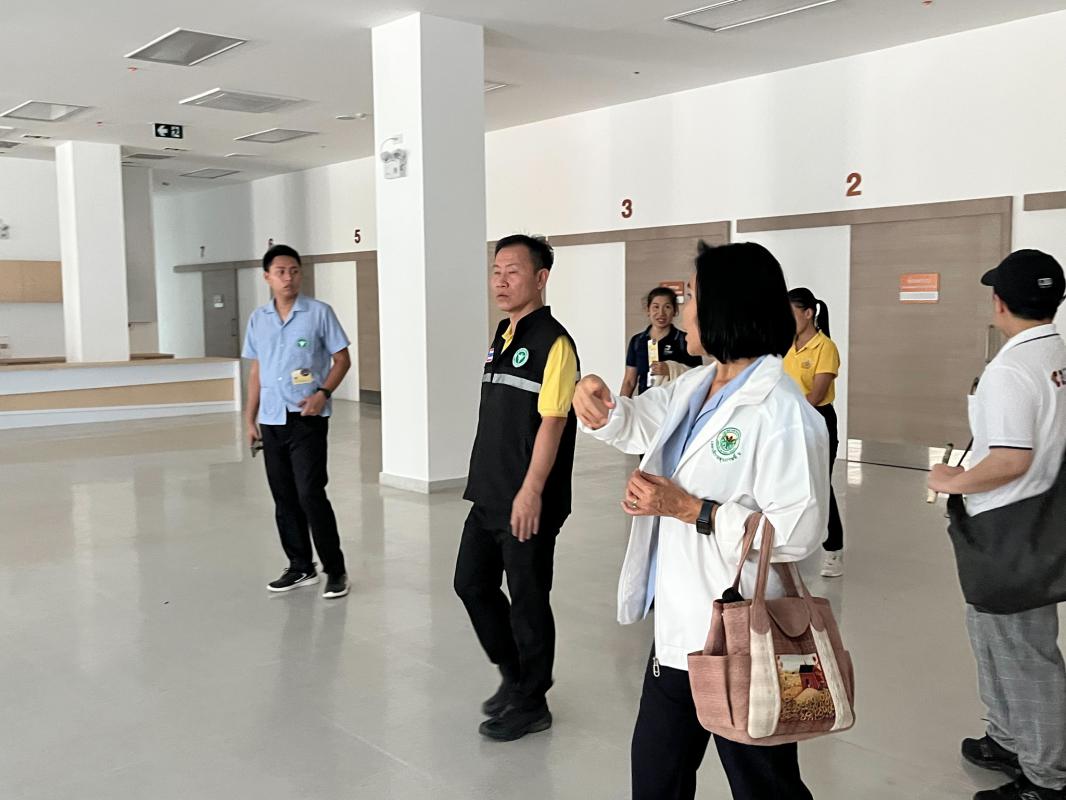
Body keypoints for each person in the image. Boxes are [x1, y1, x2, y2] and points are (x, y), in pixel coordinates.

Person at [574, 241, 828, 800]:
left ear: (725, 307)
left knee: (765, 787)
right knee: (656, 777)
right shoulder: (696, 384)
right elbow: (639, 423)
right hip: (678, 630)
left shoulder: (784, 412)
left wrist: (692, 509)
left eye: (690, 296)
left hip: (744, 638)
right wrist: (598, 405)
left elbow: (799, 532)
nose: (681, 309)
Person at [928, 249, 1066, 800]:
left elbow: (1010, 459)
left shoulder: (1011, 369)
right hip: (1038, 524)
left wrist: (950, 480)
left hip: (1006, 530)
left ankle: (1047, 777)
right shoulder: (1056, 355)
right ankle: (1009, 739)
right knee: (999, 641)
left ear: (999, 302)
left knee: (1023, 654)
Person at [454, 234, 580, 742]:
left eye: (513, 271)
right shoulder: (503, 334)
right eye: (496, 271)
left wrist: (530, 492)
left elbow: (553, 423)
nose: (501, 281)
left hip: (528, 499)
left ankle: (532, 702)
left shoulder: (555, 343)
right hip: (489, 490)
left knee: (528, 599)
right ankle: (515, 675)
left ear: (540, 278)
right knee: (471, 583)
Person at [242, 244, 353, 599]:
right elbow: (257, 370)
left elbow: (342, 360)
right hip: (271, 419)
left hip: (307, 418)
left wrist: (323, 392)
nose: (288, 278)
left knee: (310, 493)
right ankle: (300, 566)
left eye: (294, 271)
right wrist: (249, 418)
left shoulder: (319, 313)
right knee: (284, 496)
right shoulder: (259, 319)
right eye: (280, 272)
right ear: (267, 277)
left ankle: (335, 570)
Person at [783, 288, 845, 578]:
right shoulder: (785, 346)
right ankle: (793, 544)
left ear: (808, 313)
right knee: (788, 483)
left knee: (820, 485)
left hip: (817, 420)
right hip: (787, 421)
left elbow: (816, 395)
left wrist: (785, 409)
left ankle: (833, 550)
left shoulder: (825, 348)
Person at [622, 286, 703, 397]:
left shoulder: (686, 340)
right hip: (645, 403)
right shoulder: (637, 341)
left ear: (675, 311)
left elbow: (699, 376)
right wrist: (620, 406)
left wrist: (671, 369)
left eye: (667, 307)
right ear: (648, 310)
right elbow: (629, 382)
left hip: (675, 403)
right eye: (656, 307)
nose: (661, 313)